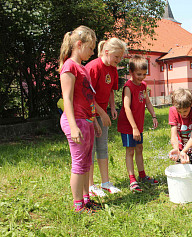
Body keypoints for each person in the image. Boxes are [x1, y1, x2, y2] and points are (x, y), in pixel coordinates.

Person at [59, 25, 102, 213]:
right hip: (75, 120)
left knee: (87, 163)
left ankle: (86, 199)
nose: (93, 52)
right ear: (79, 44)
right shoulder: (69, 66)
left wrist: (95, 121)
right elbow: (66, 98)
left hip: (87, 121)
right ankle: (78, 205)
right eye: (91, 48)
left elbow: (89, 98)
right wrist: (74, 126)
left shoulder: (82, 68)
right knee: (78, 164)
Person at [85, 38, 127, 197]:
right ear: (107, 52)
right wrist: (101, 114)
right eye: (117, 57)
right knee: (91, 149)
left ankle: (105, 182)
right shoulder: (93, 67)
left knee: (102, 148)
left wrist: (112, 107)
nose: (118, 60)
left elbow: (110, 90)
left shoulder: (113, 69)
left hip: (102, 112)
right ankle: (90, 186)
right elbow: (87, 96)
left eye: (120, 57)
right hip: (89, 113)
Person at [117, 55, 158, 193]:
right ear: (131, 72)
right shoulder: (128, 87)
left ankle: (142, 175)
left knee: (139, 148)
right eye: (139, 74)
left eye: (144, 74)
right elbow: (126, 107)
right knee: (130, 151)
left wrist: (153, 115)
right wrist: (134, 128)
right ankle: (132, 179)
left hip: (138, 124)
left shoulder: (143, 85)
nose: (142, 77)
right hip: (128, 125)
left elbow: (147, 102)